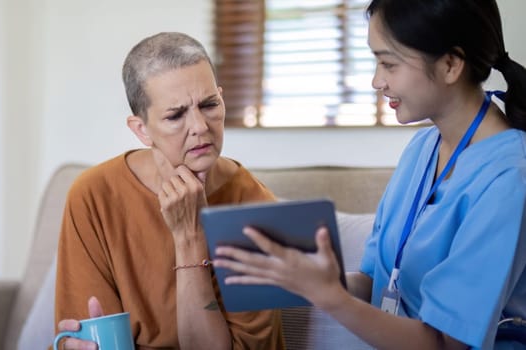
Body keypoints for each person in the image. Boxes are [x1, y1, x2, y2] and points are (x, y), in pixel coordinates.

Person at [212, 0, 526, 349]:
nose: (377, 81)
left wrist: (332, 298)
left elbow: (445, 343)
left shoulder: (510, 177)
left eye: (389, 64)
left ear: (451, 64)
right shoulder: (422, 148)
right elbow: (375, 278)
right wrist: (305, 279)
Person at [53, 32, 283, 349]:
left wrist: (188, 238)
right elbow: (88, 333)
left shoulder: (254, 207)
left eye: (209, 105)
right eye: (176, 115)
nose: (201, 126)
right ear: (141, 129)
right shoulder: (93, 195)